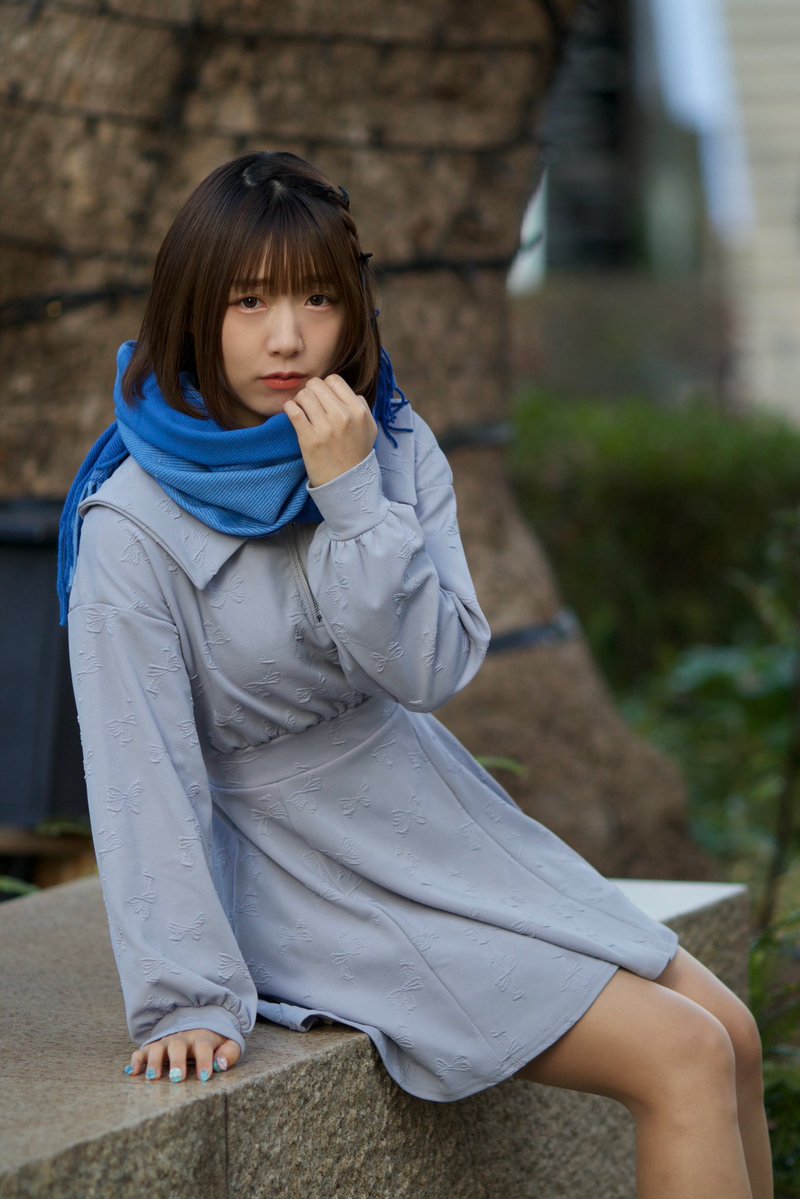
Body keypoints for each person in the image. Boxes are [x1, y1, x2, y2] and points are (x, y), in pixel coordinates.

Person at [59, 151, 771, 1198]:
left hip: (431, 816)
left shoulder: (381, 435)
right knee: (683, 1053)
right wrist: (186, 998)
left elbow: (431, 669)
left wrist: (351, 496)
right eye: (249, 301)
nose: (288, 337)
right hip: (302, 876)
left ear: (353, 309)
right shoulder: (130, 524)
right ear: (192, 309)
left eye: (316, 299)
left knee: (732, 1032)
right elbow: (140, 772)